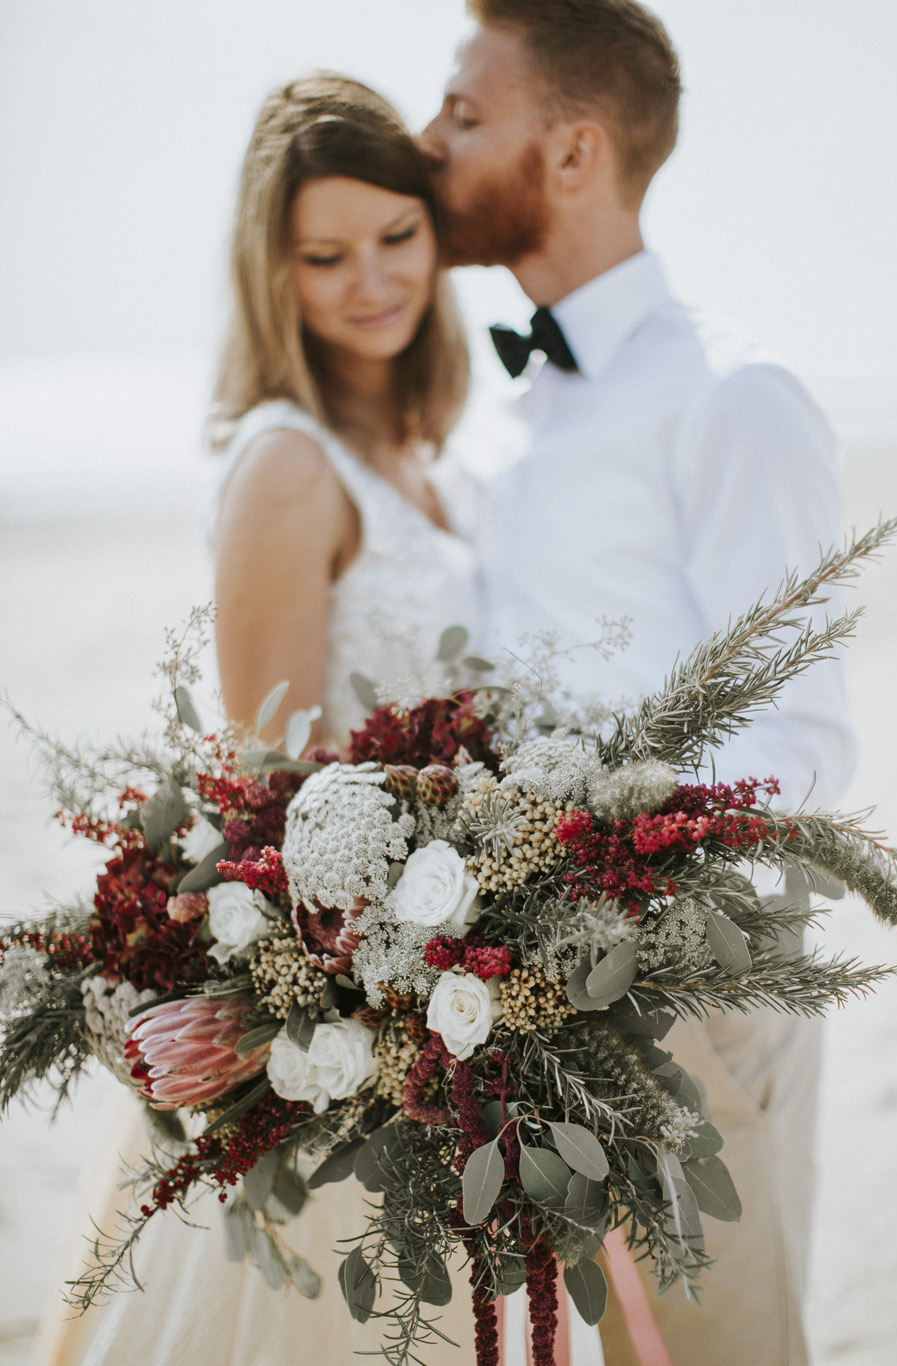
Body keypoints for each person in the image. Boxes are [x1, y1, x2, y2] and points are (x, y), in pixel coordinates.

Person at [421, 3, 854, 1364]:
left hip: (691, 1006)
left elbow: (805, 733)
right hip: (505, 1004)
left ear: (573, 151)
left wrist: (609, 864)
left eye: (465, 115)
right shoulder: (499, 410)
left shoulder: (735, 394)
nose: (428, 144)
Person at [32, 74, 481, 1366]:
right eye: (323, 255)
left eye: (396, 237)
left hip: (447, 982)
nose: (371, 280)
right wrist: (382, 965)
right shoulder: (289, 462)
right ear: (272, 273)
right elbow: (268, 786)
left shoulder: (416, 454)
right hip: (354, 1002)